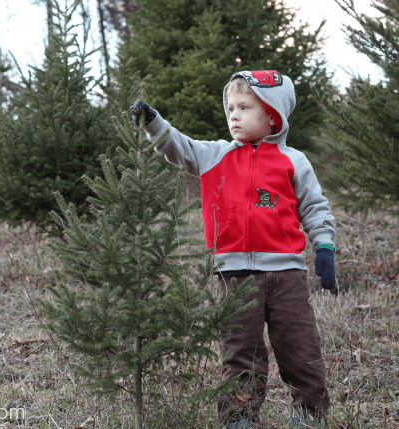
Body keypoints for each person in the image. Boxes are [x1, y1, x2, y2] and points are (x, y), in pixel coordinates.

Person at [129, 70, 337, 429]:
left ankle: (310, 417)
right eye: (230, 109)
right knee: (240, 353)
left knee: (300, 349)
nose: (234, 116)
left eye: (244, 107)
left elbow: (315, 207)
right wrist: (153, 123)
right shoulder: (214, 155)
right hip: (234, 274)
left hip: (287, 273)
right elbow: (177, 146)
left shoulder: (294, 161)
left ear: (272, 115)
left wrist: (324, 246)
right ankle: (238, 419)